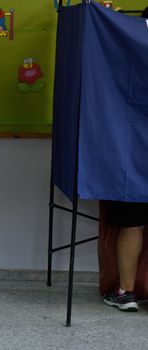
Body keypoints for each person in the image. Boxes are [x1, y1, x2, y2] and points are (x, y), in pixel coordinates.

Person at [102, 7, 148, 312]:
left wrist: (104, 21)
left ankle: (126, 292)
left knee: (132, 223)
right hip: (132, 145)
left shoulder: (129, 35)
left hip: (130, 146)